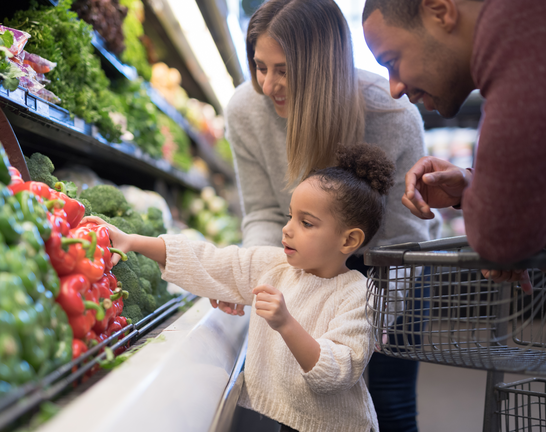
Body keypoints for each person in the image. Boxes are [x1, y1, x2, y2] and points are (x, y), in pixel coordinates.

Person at [213, 1, 442, 430]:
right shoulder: (245, 110)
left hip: (393, 265)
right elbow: (264, 212)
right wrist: (256, 279)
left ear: (323, 67)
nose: (268, 85)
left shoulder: (391, 115)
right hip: (308, 259)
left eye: (283, 69)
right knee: (300, 403)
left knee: (389, 404)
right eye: (260, 66)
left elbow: (402, 238)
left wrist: (369, 326)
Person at [87, 143, 395, 432]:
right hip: (290, 420)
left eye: (307, 223)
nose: (287, 229)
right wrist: (133, 241)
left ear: (349, 240)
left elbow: (335, 372)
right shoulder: (275, 266)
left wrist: (285, 323)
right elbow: (211, 261)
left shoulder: (358, 296)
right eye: (290, 216)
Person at [361, 0, 546, 276]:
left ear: (440, 12)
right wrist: (472, 185)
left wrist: (502, 224)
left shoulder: (518, 38)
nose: (394, 88)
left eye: (393, 62)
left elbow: (500, 241)